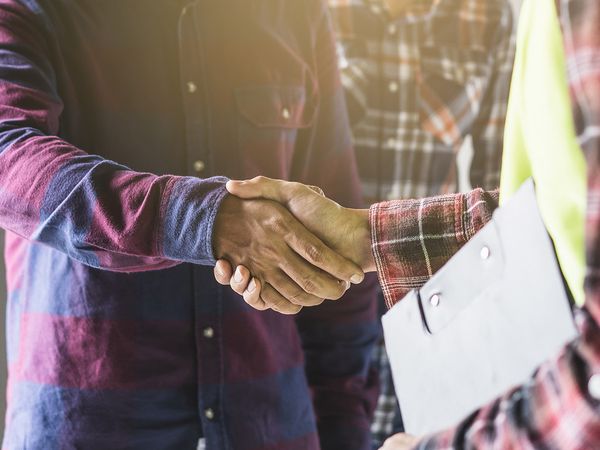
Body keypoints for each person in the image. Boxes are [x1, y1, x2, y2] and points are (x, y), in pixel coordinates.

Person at [215, 0, 600, 447]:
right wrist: (367, 236)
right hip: (318, 298)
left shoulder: (509, 17)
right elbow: (538, 211)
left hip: (435, 310)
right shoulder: (312, 15)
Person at [0, 1, 380, 449]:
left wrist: (345, 428)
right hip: (87, 422)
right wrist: (208, 220)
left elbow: (337, 239)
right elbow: (10, 154)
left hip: (271, 423)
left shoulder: (295, 15)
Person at [327, 0, 515, 444]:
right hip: (315, 300)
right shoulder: (313, 12)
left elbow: (501, 189)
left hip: (426, 302)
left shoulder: (487, 16)